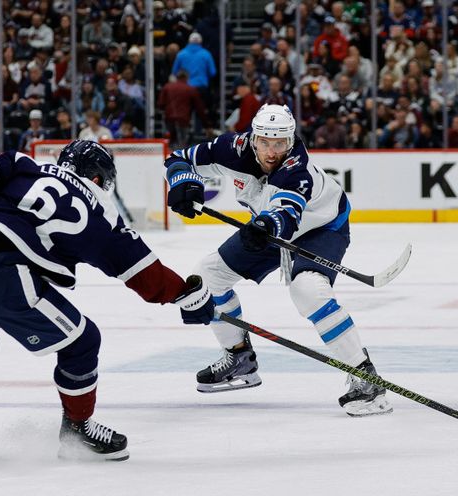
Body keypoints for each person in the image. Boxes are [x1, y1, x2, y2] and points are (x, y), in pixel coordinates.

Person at [0, 140, 215, 461]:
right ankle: (78, 428)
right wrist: (185, 294)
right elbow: (138, 267)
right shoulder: (95, 208)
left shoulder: (25, 166)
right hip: (4, 274)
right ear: (99, 178)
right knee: (83, 342)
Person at [163, 104, 392, 416]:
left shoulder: (297, 168)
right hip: (266, 227)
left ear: (291, 140)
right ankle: (240, 358)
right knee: (207, 276)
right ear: (253, 138)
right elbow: (179, 159)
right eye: (265, 143)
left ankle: (366, 379)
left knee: (308, 291)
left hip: (321, 227)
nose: (272, 152)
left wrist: (268, 225)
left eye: (280, 144)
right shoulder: (231, 148)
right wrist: (183, 183)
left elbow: (286, 211)